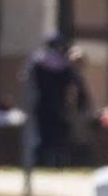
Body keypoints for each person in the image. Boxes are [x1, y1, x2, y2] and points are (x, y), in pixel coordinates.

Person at [28, 35, 81, 167]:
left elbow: (27, 82)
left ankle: (42, 162)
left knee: (42, 134)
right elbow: (71, 87)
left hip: (41, 104)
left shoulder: (37, 62)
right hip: (59, 105)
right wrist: (71, 106)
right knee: (59, 136)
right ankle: (57, 162)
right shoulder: (64, 65)